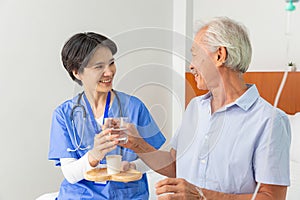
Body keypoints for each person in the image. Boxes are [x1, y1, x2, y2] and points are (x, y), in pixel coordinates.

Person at [120, 17, 291, 199]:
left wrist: (202, 196)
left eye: (195, 55)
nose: (191, 65)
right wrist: (135, 143)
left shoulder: (270, 121)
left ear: (220, 55)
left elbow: (272, 197)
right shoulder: (196, 107)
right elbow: (175, 164)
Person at [48, 32, 166, 199]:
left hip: (127, 194)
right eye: (98, 67)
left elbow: (154, 161)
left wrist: (131, 166)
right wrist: (94, 155)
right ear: (77, 72)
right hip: (81, 196)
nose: (109, 72)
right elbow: (70, 175)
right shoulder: (64, 115)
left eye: (111, 63)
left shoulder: (133, 107)